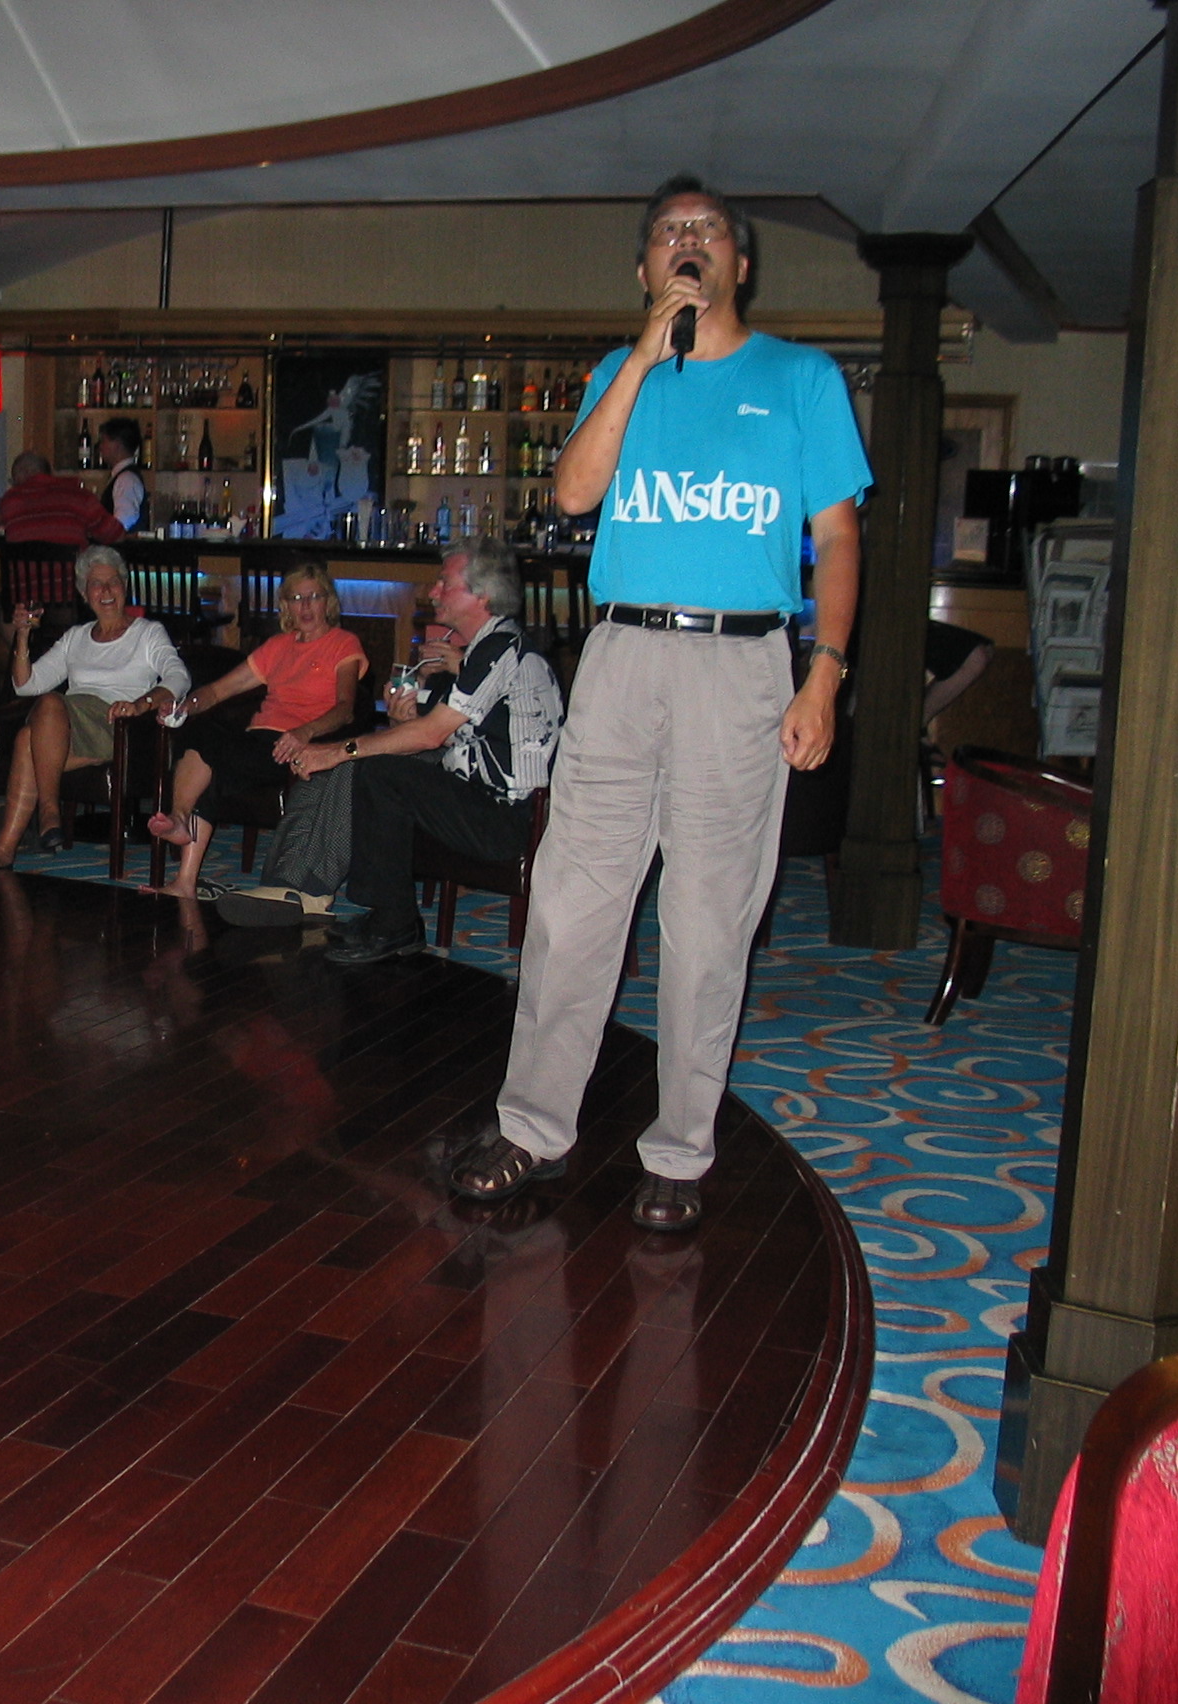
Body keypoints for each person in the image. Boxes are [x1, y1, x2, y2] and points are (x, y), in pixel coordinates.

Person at [448, 174, 868, 1234]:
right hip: (623, 655)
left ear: (740, 263)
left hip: (742, 663)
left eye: (707, 229)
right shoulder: (618, 372)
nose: (690, 241)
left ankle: (679, 1151)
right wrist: (640, 358)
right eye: (670, 232)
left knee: (709, 919)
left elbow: (838, 538)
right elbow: (572, 493)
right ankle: (532, 1127)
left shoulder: (803, 378)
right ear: (645, 269)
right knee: (570, 903)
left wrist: (823, 673)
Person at [235, 541, 562, 962]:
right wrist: (403, 719)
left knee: (373, 770)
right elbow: (449, 735)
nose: (432, 591)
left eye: (444, 583)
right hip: (478, 794)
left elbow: (430, 736)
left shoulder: (501, 649)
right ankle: (297, 886)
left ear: (482, 594)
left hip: (511, 816)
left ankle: (390, 920)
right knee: (361, 765)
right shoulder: (483, 650)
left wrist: (337, 750)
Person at [147, 562, 366, 898]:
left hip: (298, 745)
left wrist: (305, 733)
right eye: (296, 598)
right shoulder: (278, 646)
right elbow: (218, 691)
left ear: (329, 601)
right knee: (203, 747)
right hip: (256, 742)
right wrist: (183, 707)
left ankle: (179, 820)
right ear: (286, 606)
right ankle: (185, 880)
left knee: (209, 749)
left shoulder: (343, 643)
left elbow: (345, 708)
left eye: (314, 596)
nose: (306, 606)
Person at [0, 544, 189, 868]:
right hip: (68, 723)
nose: (105, 591)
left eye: (113, 582)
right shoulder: (75, 637)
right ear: (83, 593)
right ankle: (6, 848)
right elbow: (26, 685)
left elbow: (179, 677)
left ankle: (46, 813)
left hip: (117, 723)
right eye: (96, 584)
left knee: (43, 714)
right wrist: (22, 635)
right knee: (31, 732)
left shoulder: (147, 633)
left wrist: (140, 705)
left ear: (124, 586)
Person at [0, 451, 126, 550]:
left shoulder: (10, 500)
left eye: (14, 481)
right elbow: (116, 534)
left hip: (23, 578)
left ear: (23, 473)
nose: (14, 486)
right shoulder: (79, 496)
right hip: (69, 577)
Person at [97, 417, 147, 531]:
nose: (100, 447)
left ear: (117, 445)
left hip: (120, 543)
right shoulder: (124, 476)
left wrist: (104, 532)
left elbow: (125, 518)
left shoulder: (126, 479)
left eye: (104, 441)